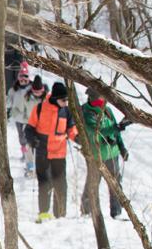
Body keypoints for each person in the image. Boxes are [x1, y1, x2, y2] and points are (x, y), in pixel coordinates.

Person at [25, 81, 77, 222]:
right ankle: (43, 213)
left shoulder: (66, 111)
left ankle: (60, 215)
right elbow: (28, 129)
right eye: (63, 100)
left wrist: (78, 139)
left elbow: (71, 129)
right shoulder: (40, 108)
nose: (66, 102)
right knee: (45, 184)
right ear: (54, 98)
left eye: (67, 99)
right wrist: (32, 140)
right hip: (43, 153)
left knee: (61, 185)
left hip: (60, 154)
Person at [79, 89, 128, 220]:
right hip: (96, 155)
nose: (100, 101)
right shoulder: (86, 112)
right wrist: (116, 128)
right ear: (91, 98)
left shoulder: (107, 110)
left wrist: (122, 147)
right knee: (92, 182)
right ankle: (86, 211)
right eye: (97, 99)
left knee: (115, 183)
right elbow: (96, 130)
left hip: (112, 154)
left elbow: (115, 130)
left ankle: (116, 212)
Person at [6, 70, 42, 176]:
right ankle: (25, 155)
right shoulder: (14, 89)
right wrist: (11, 109)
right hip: (19, 118)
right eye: (21, 77)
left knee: (30, 141)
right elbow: (8, 102)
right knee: (22, 139)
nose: (23, 79)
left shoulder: (31, 88)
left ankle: (31, 161)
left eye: (25, 76)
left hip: (30, 120)